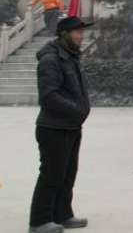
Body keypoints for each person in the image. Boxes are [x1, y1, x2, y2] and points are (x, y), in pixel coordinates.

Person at [28, 16, 92, 233]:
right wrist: (77, 109)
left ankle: (63, 215)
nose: (82, 36)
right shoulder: (51, 60)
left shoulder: (71, 57)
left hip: (71, 126)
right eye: (78, 32)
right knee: (52, 174)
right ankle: (39, 220)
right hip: (53, 127)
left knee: (67, 173)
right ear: (65, 34)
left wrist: (79, 112)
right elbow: (48, 96)